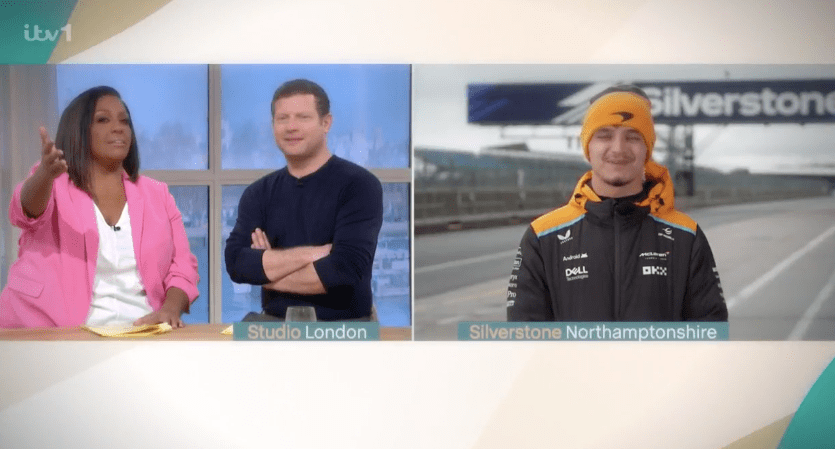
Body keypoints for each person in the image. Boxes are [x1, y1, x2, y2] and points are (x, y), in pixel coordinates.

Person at [506, 85, 728, 321]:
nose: (618, 148)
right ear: (587, 147)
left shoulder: (686, 236)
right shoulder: (542, 236)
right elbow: (526, 341)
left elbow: (709, 334)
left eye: (633, 137)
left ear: (647, 149)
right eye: (604, 135)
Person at [0, 86, 199, 328]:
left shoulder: (157, 194)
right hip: (53, 333)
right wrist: (44, 174)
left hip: (141, 331)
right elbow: (24, 211)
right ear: (79, 130)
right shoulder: (51, 184)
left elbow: (183, 267)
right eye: (103, 119)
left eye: (125, 121)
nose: (119, 128)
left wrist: (169, 310)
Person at [225, 79, 383, 321]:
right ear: (273, 125)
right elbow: (237, 264)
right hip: (273, 324)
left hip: (346, 328)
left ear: (326, 123)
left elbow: (344, 270)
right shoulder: (258, 193)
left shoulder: (359, 185)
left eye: (303, 117)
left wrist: (266, 272)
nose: (291, 127)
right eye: (283, 118)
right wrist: (312, 255)